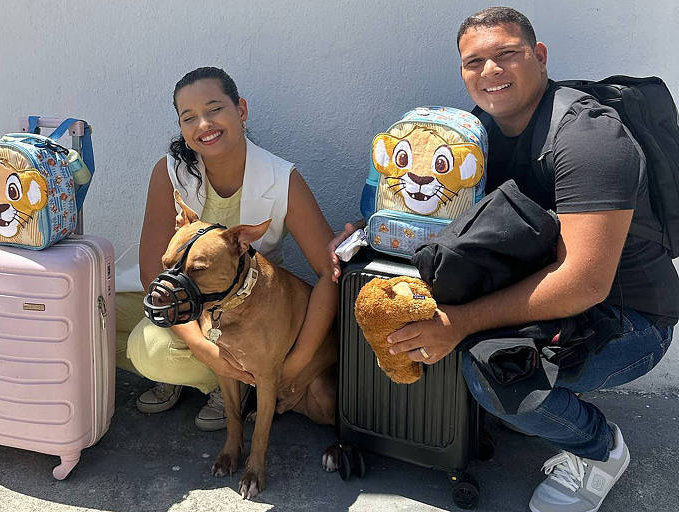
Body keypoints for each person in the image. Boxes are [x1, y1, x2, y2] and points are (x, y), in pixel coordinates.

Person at [329, 7, 677, 512]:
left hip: (628, 319)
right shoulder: (473, 133)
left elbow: (584, 283)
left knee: (495, 368)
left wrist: (460, 322)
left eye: (507, 54)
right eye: (475, 62)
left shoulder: (588, 138)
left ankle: (598, 450)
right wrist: (369, 237)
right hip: (551, 288)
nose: (490, 71)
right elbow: (443, 221)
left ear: (538, 56)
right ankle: (507, 408)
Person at [117, 66, 337, 431]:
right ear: (183, 130)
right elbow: (152, 273)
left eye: (214, 108)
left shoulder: (283, 180)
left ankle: (234, 384)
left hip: (248, 314)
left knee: (148, 349)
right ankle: (213, 372)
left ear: (242, 111)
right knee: (97, 316)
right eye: (189, 117)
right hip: (188, 302)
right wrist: (206, 351)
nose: (204, 124)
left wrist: (294, 364)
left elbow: (329, 272)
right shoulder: (169, 173)